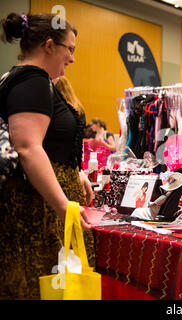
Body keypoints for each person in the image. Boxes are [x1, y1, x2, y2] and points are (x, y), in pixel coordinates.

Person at [0, 12, 95, 299]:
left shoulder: (23, 79)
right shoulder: (34, 80)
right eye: (71, 49)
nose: (73, 58)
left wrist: (75, 172)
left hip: (43, 203)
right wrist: (64, 206)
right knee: (42, 288)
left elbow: (46, 143)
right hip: (37, 208)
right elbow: (28, 147)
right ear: (50, 45)